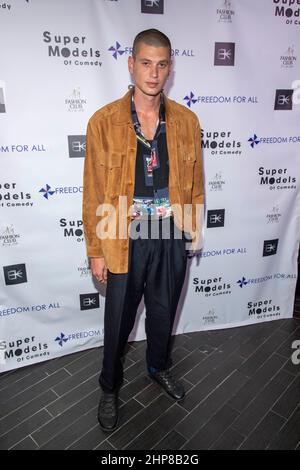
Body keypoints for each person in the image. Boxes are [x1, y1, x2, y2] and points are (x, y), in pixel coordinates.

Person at [82, 29, 204, 432]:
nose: (154, 73)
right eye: (146, 63)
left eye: (162, 64)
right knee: (118, 320)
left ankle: (157, 366)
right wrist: (96, 250)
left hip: (171, 232)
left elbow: (196, 182)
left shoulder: (187, 121)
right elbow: (94, 189)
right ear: (131, 64)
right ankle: (109, 387)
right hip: (123, 234)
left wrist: (191, 231)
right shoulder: (103, 121)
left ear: (171, 68)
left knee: (164, 312)